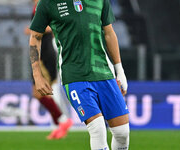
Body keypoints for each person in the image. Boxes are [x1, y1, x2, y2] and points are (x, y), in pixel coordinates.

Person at [29, 0, 130, 149]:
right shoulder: (48, 3)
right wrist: (37, 75)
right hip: (75, 75)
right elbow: (35, 37)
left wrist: (119, 70)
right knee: (97, 129)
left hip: (104, 73)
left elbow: (109, 33)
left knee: (122, 133)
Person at [24, 0, 73, 140]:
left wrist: (34, 29)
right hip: (41, 54)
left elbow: (54, 25)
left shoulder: (44, 5)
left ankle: (62, 121)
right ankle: (60, 123)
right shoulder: (37, 6)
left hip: (45, 55)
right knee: (41, 93)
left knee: (41, 92)